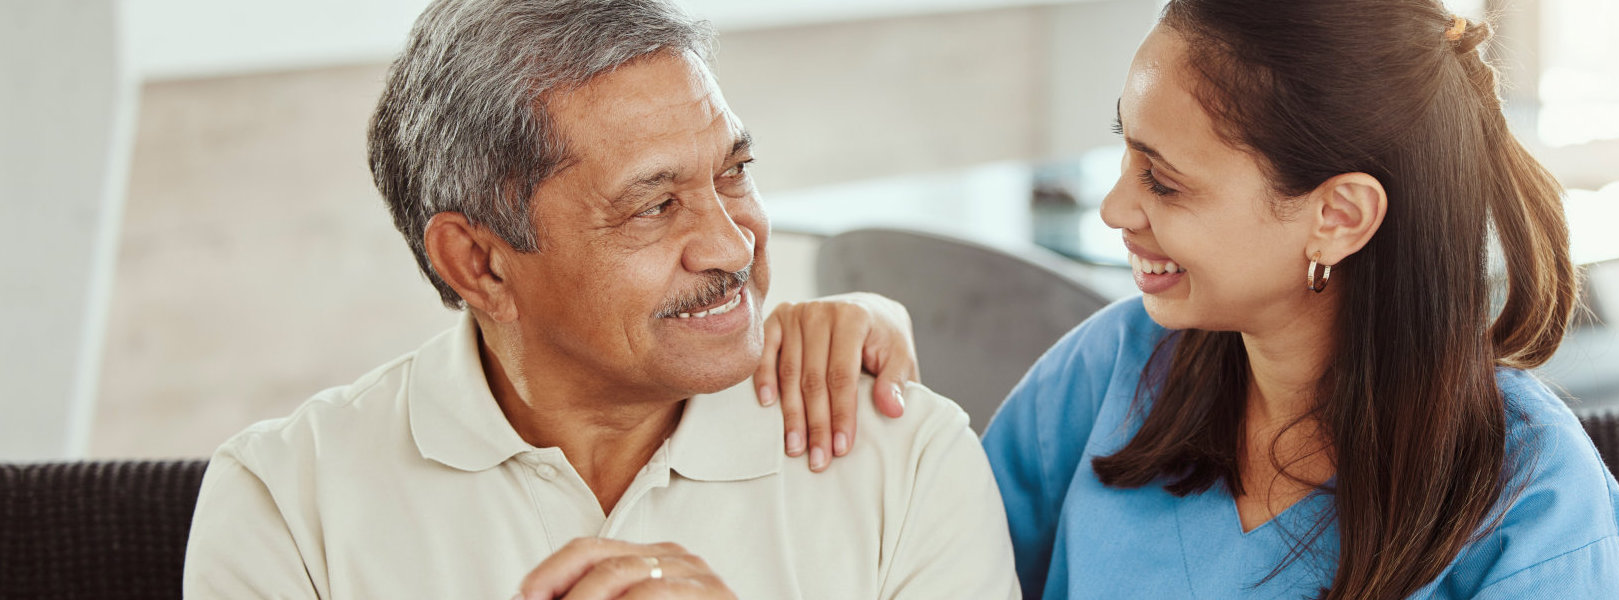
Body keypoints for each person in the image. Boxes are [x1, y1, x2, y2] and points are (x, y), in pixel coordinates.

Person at [769, 1, 1619, 597]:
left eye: (1165, 182)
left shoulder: (1526, 489)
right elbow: (925, 570)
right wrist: (879, 359)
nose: (1118, 208)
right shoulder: (1114, 367)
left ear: (1337, 217)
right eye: (1126, 153)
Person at [179, 1, 1017, 598]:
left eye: (734, 174)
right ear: (479, 264)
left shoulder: (905, 460)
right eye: (654, 206)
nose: (733, 244)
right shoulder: (286, 500)